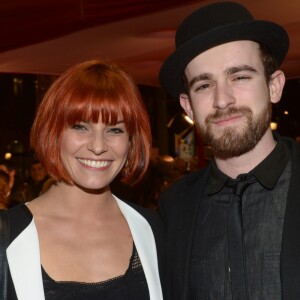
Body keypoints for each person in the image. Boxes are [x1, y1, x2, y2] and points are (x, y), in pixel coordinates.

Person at [158, 2, 299, 299]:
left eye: (240, 77)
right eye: (204, 85)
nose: (223, 100)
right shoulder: (173, 209)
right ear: (188, 106)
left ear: (274, 86)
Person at [6, 60, 164, 299]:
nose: (98, 146)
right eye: (80, 127)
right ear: (53, 132)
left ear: (131, 141)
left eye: (115, 130)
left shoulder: (153, 230)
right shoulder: (7, 237)